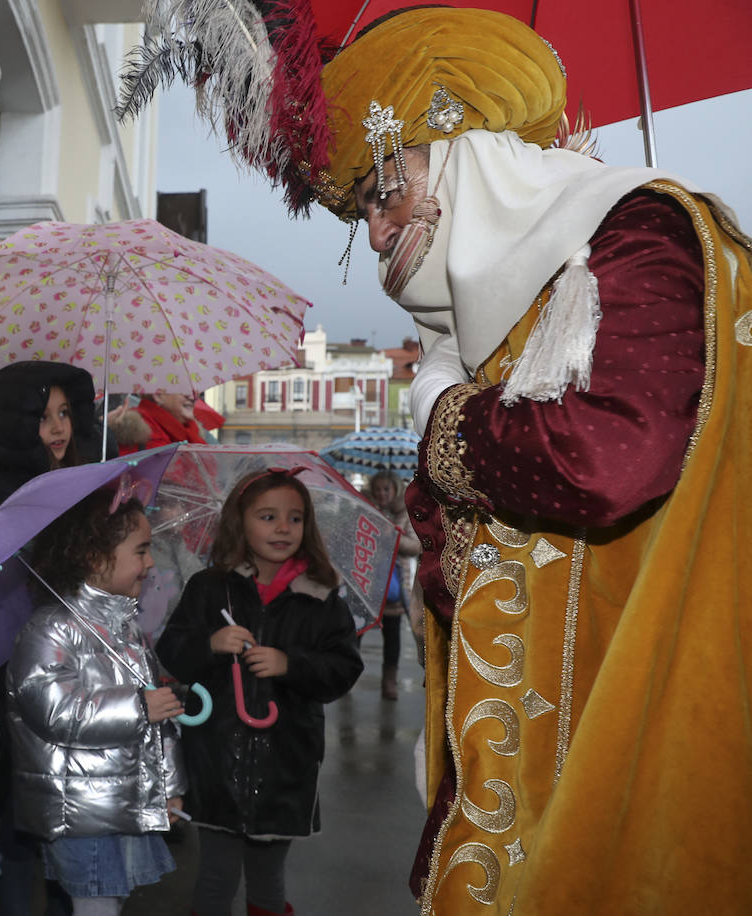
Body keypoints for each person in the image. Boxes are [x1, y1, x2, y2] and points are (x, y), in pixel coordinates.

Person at [121, 3, 752, 911]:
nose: (376, 236)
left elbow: (608, 455)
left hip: (641, 714)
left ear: (460, 147)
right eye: (359, 217)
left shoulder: (634, 239)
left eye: (383, 195)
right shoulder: (501, 316)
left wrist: (448, 412)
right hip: (538, 735)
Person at [156, 469, 363, 916]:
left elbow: (344, 667)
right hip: (216, 762)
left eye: (295, 518)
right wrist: (210, 645)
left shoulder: (322, 597)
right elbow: (172, 651)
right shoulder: (210, 588)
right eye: (268, 517)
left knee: (268, 880)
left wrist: (292, 664)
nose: (283, 528)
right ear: (239, 522)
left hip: (285, 767)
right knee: (216, 876)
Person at [6, 487, 187, 916]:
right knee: (96, 901)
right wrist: (138, 706)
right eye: (141, 551)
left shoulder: (127, 630)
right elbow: (55, 710)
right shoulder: (50, 629)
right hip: (79, 814)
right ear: (93, 556)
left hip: (124, 803)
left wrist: (171, 788)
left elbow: (161, 722)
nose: (150, 564)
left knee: (111, 899)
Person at [0, 360, 100, 548]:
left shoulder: (73, 475)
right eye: (42, 417)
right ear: (12, 424)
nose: (59, 428)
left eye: (64, 412)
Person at [364, 469, 421, 700]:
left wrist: (391, 535)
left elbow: (415, 546)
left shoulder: (404, 514)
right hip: (367, 584)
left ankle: (390, 682)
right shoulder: (368, 510)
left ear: (395, 489)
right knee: (354, 632)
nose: (382, 493)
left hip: (394, 585)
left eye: (386, 489)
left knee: (392, 638)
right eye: (378, 489)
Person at [117, 392, 209, 455]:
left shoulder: (193, 433)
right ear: (158, 394)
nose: (193, 397)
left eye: (193, 389)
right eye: (183, 389)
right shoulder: (139, 432)